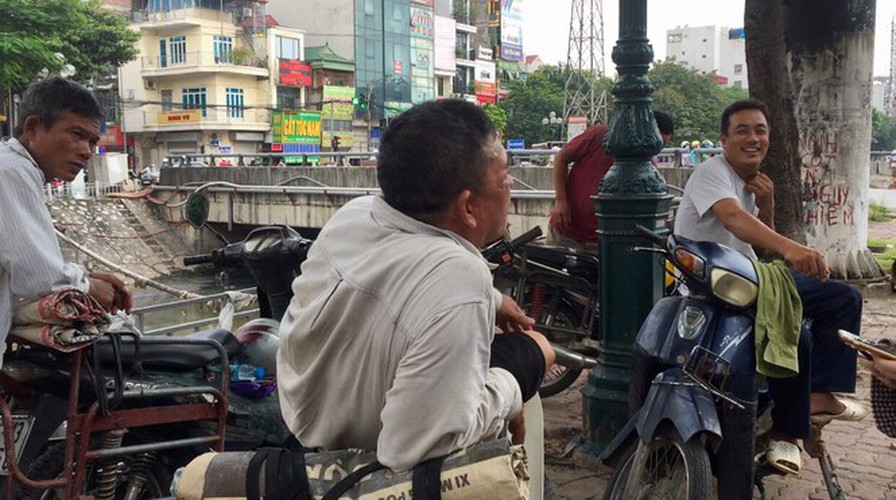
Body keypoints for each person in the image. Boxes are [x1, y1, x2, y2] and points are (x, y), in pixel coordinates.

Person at [277, 99, 555, 472]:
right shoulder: (460, 276)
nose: (511, 189)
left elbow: (395, 276)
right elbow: (420, 444)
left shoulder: (355, 215)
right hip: (361, 470)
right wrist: (522, 371)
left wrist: (492, 300)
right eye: (505, 177)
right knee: (524, 353)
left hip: (301, 428)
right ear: (468, 208)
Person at [674, 99, 866, 474]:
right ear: (724, 139)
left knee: (844, 299)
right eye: (742, 130)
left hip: (752, 277)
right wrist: (794, 249)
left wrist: (768, 203)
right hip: (716, 285)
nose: (753, 138)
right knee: (795, 332)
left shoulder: (753, 184)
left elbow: (759, 245)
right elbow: (731, 219)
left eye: (760, 130)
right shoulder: (712, 171)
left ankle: (818, 395)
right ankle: (786, 431)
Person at [0, 77, 133, 365]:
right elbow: (38, 276)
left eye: (92, 141)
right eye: (76, 134)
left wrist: (84, 279)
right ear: (33, 128)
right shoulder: (11, 171)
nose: (86, 151)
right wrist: (88, 287)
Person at [548, 110, 674, 250]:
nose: (654, 151)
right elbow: (561, 157)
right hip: (567, 231)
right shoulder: (601, 134)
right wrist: (560, 200)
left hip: (605, 239)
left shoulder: (649, 165)